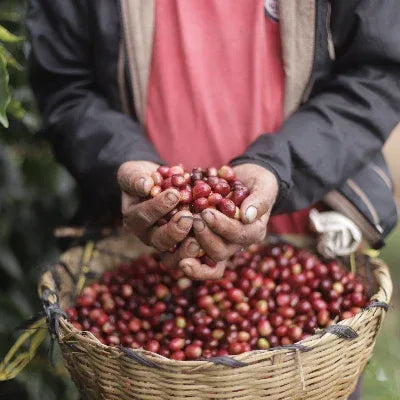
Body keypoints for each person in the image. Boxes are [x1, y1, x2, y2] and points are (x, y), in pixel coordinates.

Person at [27, 1, 399, 397]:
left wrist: (280, 167)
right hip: (132, 244)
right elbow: (65, 83)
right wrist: (118, 159)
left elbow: (376, 72)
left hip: (306, 238)